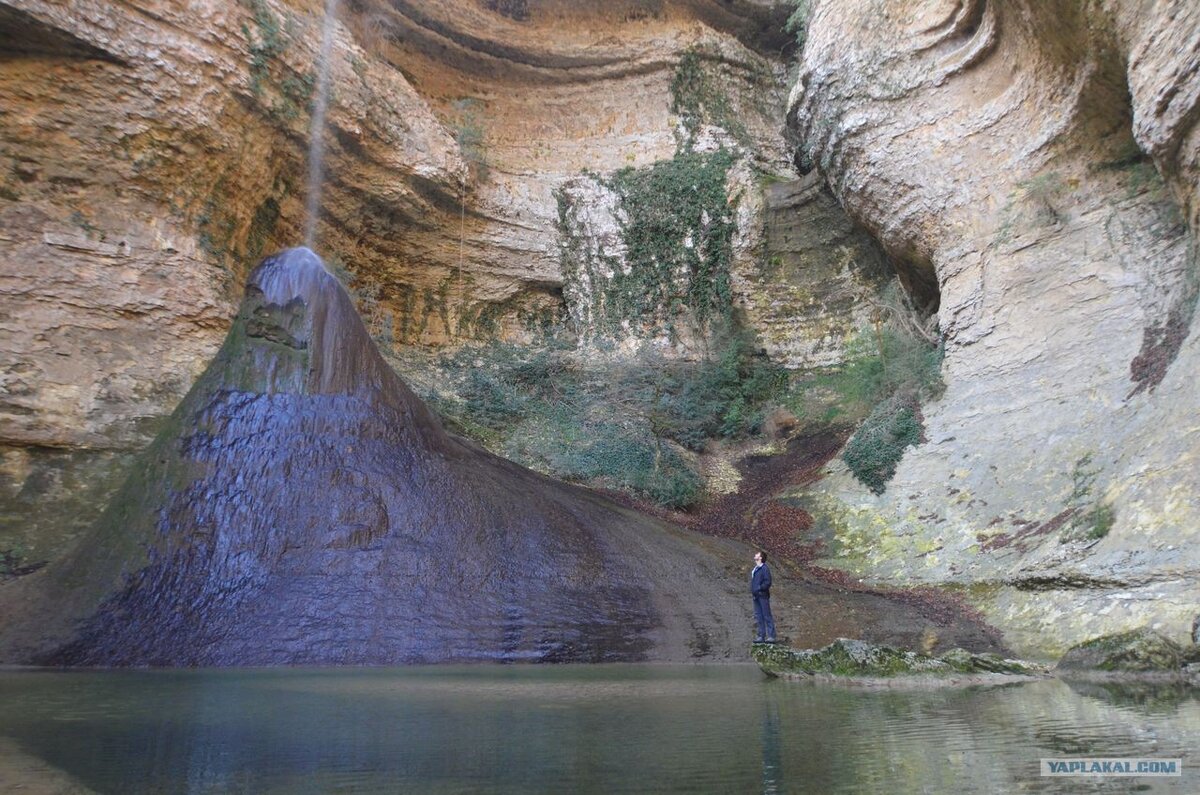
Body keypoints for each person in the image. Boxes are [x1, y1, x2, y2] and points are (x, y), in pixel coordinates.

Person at [751, 550, 776, 643]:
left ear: (760, 557)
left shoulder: (764, 568)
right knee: (759, 616)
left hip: (762, 595)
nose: (755, 555)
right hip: (756, 595)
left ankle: (771, 636)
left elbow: (768, 582)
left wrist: (759, 588)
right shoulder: (756, 569)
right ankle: (761, 636)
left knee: (766, 615)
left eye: (757, 554)